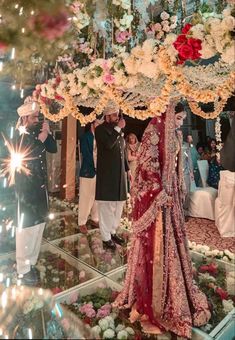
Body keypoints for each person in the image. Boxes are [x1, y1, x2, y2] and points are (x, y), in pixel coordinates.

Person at [114, 101, 210, 338]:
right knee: (155, 250)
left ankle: (175, 290)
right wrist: (159, 193)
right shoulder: (153, 131)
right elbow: (146, 169)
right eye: (178, 118)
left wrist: (176, 188)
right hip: (158, 203)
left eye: (181, 119)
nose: (180, 123)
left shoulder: (173, 132)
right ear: (168, 113)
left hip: (171, 201)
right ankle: (155, 302)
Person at [15, 96, 57, 285]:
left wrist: (48, 133)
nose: (37, 120)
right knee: (27, 230)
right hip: (26, 193)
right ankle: (23, 270)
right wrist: (40, 139)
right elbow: (27, 155)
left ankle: (31, 263)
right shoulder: (19, 136)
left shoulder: (37, 133)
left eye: (38, 116)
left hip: (40, 190)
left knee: (39, 227)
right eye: (34, 117)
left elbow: (53, 148)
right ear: (24, 119)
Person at [95, 102, 131, 251]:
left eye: (118, 114)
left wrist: (128, 170)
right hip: (107, 176)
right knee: (107, 207)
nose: (117, 117)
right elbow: (109, 145)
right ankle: (105, 237)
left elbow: (121, 153)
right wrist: (118, 129)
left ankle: (112, 232)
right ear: (107, 116)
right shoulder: (100, 130)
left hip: (119, 175)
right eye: (114, 115)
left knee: (118, 205)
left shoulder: (118, 132)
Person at [78, 120, 100, 234]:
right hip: (88, 171)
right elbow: (86, 155)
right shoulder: (85, 137)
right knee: (86, 198)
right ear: (92, 125)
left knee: (97, 197)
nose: (99, 126)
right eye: (97, 124)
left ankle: (94, 218)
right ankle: (82, 222)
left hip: (100, 172)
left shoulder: (100, 137)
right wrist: (95, 167)